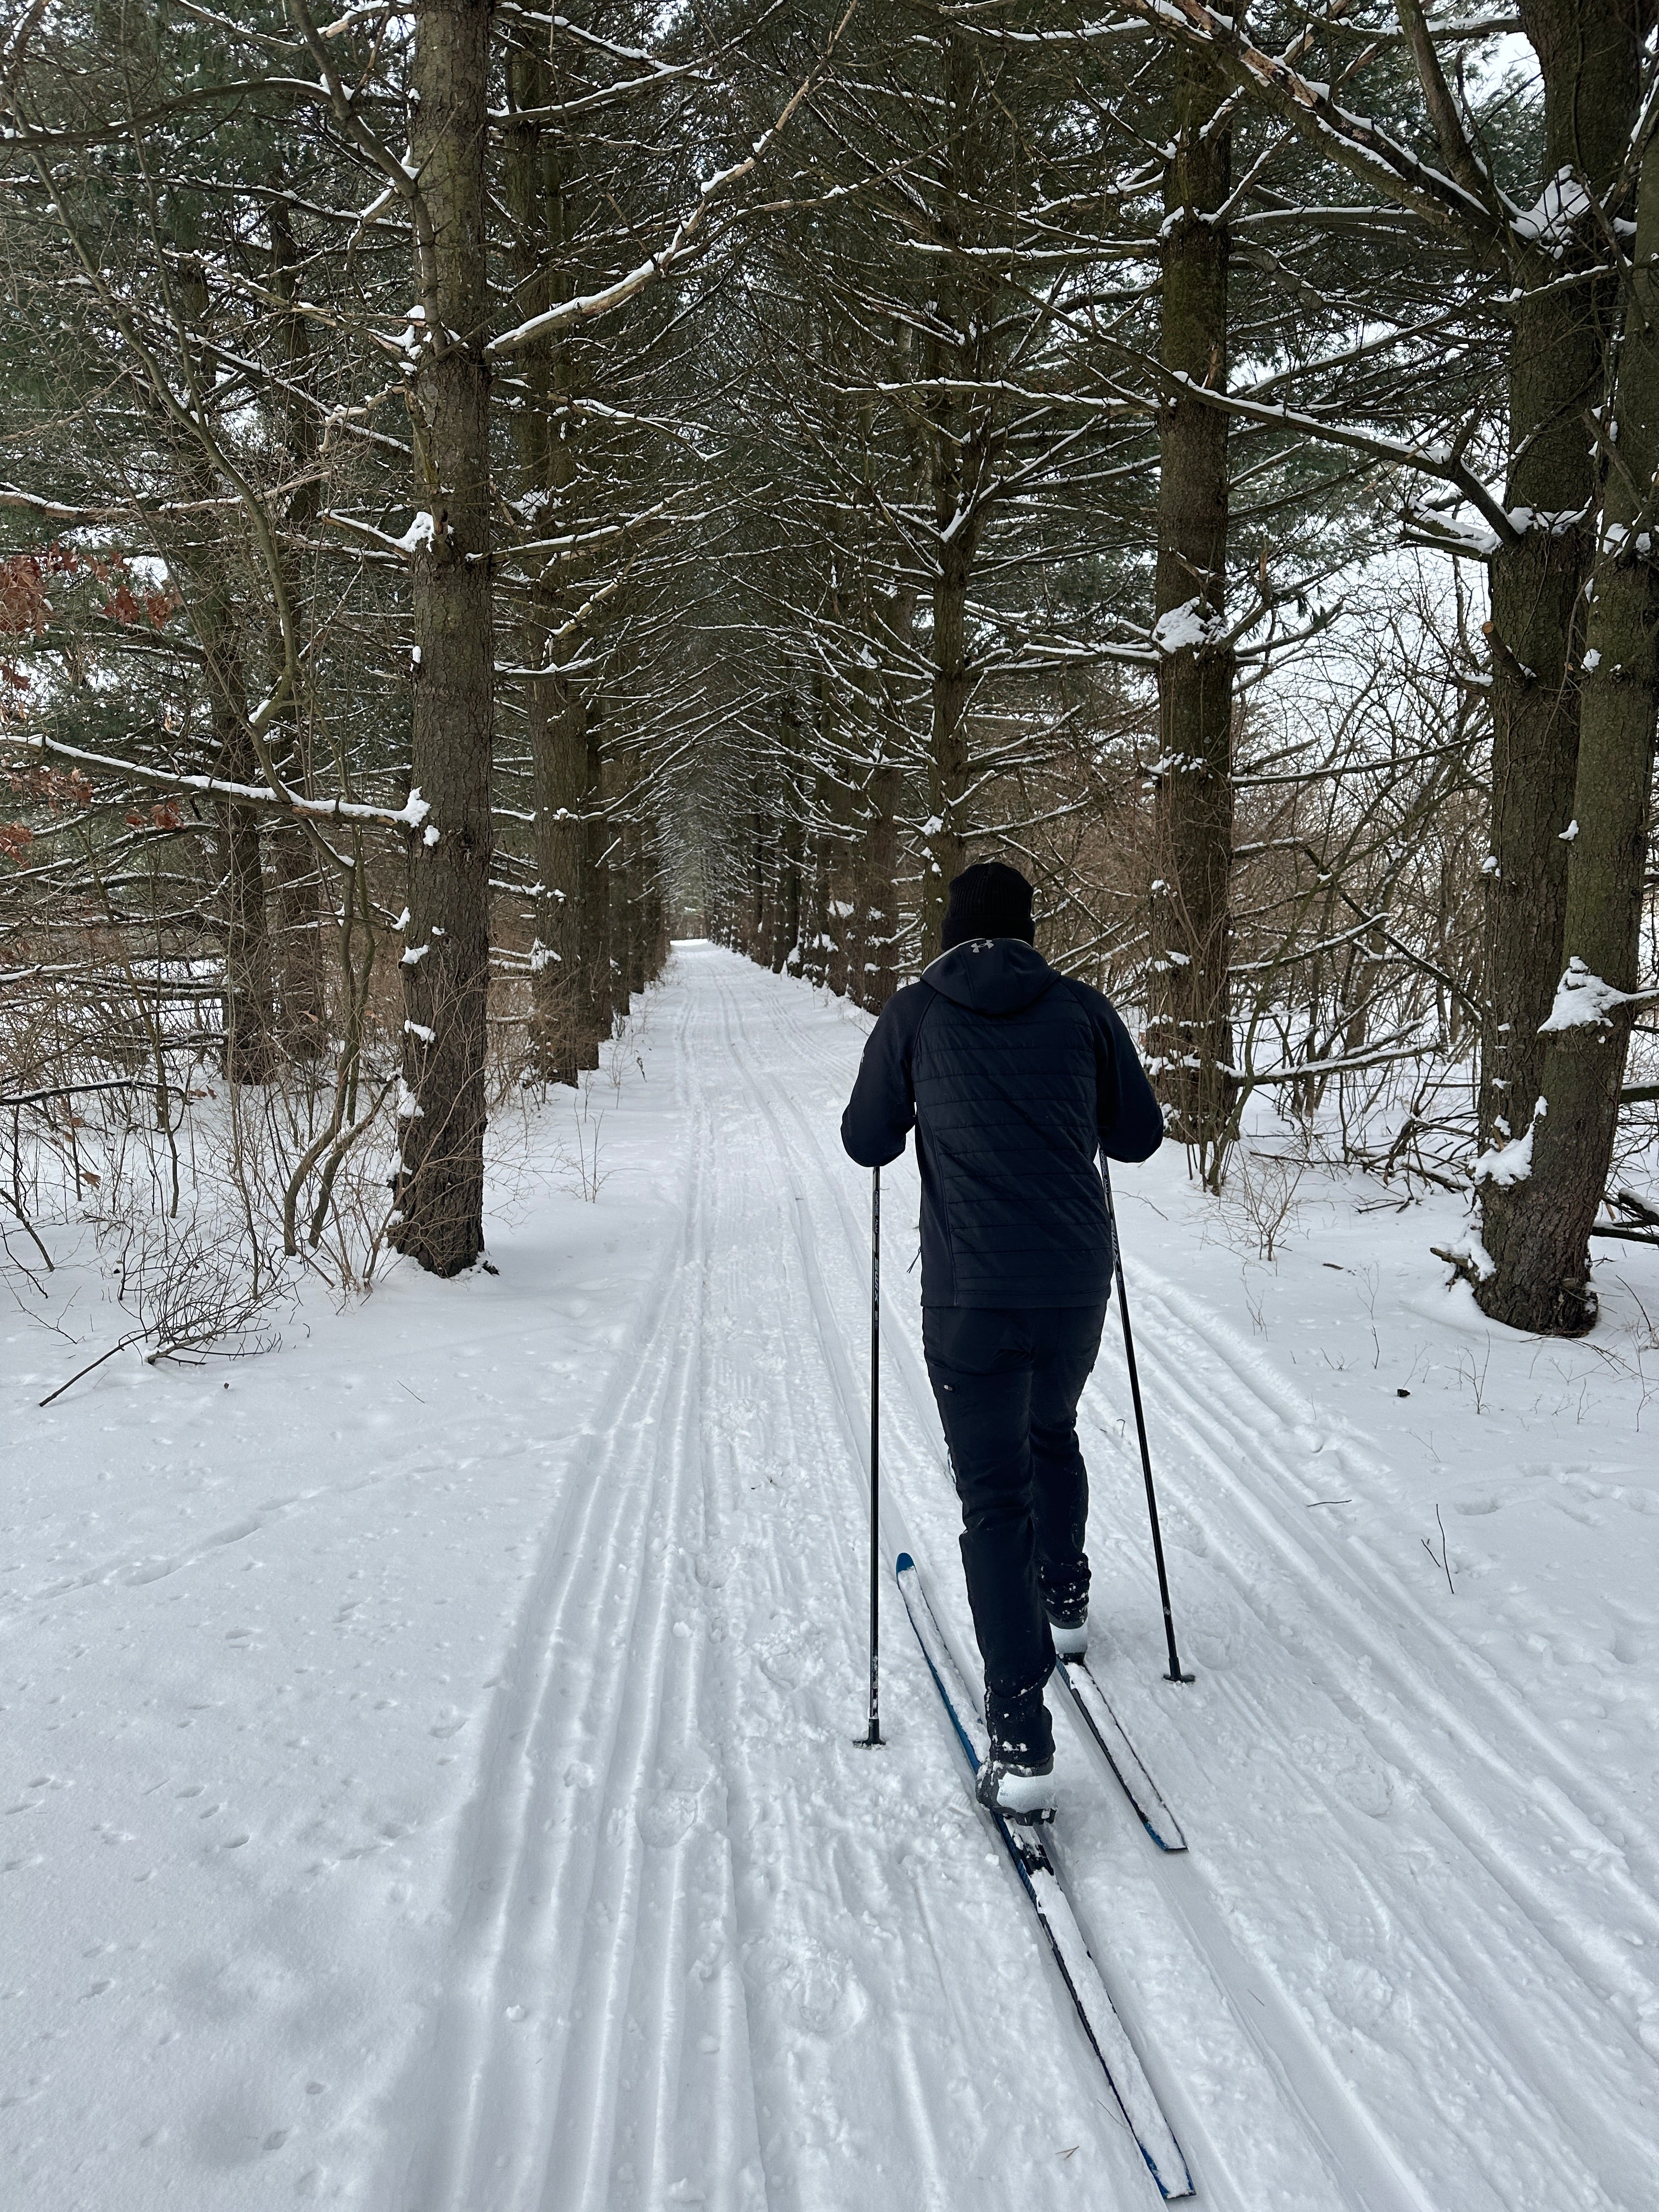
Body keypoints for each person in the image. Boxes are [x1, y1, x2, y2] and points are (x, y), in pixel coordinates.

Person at [840, 860, 1163, 1817]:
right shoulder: (1084, 1010)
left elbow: (867, 1141)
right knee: (1051, 1431)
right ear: (1029, 931)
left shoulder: (915, 1012)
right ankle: (1064, 1600)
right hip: (1071, 1287)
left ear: (949, 930)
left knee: (993, 1499)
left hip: (972, 1295)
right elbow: (1138, 1139)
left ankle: (1020, 1733)